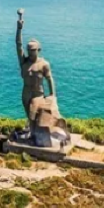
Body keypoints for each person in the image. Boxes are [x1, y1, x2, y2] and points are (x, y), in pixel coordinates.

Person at [16, 11, 69, 146]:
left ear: (38, 50)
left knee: (33, 114)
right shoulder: (24, 62)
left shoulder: (44, 64)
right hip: (25, 93)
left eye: (33, 50)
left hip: (37, 94)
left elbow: (50, 79)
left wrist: (53, 95)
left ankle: (36, 136)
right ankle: (33, 135)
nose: (30, 52)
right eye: (29, 50)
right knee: (30, 117)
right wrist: (19, 28)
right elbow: (18, 45)